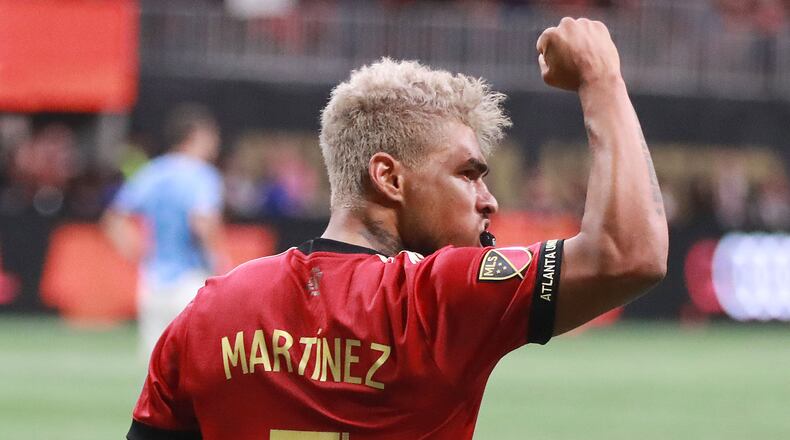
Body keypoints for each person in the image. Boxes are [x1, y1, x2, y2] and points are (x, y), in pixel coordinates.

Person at [126, 18, 668, 440]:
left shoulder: (208, 313)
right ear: (389, 177)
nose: (489, 199)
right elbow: (629, 253)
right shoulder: (441, 297)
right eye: (468, 174)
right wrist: (602, 78)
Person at [103, 103, 227, 360]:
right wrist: (218, 263)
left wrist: (136, 252)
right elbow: (201, 222)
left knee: (155, 370)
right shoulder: (203, 176)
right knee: (195, 364)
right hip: (191, 281)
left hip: (153, 281)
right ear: (196, 136)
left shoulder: (152, 172)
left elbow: (113, 219)